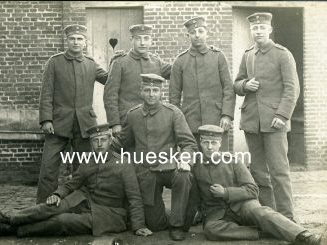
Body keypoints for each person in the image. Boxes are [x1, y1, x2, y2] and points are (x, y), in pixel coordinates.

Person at [0, 124, 152, 238]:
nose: (100, 144)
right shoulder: (88, 161)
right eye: (95, 140)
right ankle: (11, 218)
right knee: (51, 207)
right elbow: (72, 183)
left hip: (109, 213)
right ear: (91, 143)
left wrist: (139, 226)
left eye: (103, 139)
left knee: (63, 221)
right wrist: (58, 194)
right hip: (85, 200)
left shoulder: (123, 163)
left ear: (110, 140)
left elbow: (134, 197)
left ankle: (14, 230)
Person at [191, 125, 321, 245]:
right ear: (200, 143)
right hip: (218, 213)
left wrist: (226, 192)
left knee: (260, 212)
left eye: (213, 142)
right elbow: (194, 198)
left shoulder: (232, 161)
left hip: (243, 205)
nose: (209, 147)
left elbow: (253, 190)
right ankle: (261, 232)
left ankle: (303, 235)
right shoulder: (196, 166)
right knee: (210, 229)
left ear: (220, 144)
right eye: (205, 142)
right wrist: (185, 223)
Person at [233, 12, 300, 220]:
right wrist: (245, 85)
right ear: (251, 31)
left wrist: (282, 115)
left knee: (279, 172)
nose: (258, 31)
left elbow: (292, 88)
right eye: (254, 28)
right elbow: (237, 83)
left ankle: (288, 218)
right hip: (253, 121)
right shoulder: (248, 54)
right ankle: (269, 217)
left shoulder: (282, 54)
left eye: (262, 28)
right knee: (259, 172)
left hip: (275, 121)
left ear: (270, 30)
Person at [118, 73, 198, 241]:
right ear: (141, 92)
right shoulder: (133, 115)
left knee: (183, 176)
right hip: (146, 172)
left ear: (161, 92)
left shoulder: (173, 113)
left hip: (169, 168)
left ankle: (177, 225)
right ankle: (184, 215)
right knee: (155, 224)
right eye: (147, 90)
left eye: (155, 90)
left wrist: (185, 159)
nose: (151, 94)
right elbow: (124, 143)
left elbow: (188, 143)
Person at [37, 24, 108, 204]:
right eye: (72, 39)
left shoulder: (91, 64)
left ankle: (78, 205)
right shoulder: (54, 62)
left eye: (80, 39)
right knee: (48, 168)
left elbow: (111, 79)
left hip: (85, 125)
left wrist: (119, 61)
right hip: (58, 124)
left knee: (82, 169)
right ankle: (43, 208)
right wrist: (46, 119)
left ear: (85, 42)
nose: (76, 42)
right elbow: (46, 92)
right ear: (67, 41)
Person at [169, 16, 235, 151]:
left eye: (200, 31)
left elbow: (228, 88)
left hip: (217, 120)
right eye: (193, 33)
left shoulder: (218, 56)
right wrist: (178, 123)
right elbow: (174, 96)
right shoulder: (180, 61)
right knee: (195, 163)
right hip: (191, 123)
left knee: (220, 162)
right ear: (188, 35)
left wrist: (227, 115)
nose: (197, 35)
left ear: (207, 33)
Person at [104, 24, 171, 138]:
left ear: (151, 41)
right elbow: (110, 95)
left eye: (146, 38)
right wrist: (115, 123)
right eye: (138, 38)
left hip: (154, 121)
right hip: (127, 122)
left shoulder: (156, 62)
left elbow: (180, 70)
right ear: (131, 40)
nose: (142, 43)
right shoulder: (120, 62)